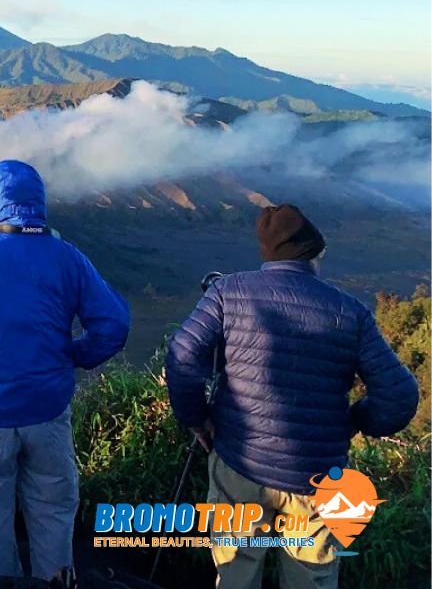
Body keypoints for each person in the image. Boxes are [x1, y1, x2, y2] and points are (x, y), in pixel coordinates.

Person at [166, 204, 418, 589]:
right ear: (315, 254)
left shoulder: (228, 292)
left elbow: (182, 355)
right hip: (317, 478)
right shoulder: (351, 313)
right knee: (310, 579)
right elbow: (400, 396)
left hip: (240, 462)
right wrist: (353, 421)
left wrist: (197, 419)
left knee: (236, 571)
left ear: (266, 253)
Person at [0, 159, 130, 585]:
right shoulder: (67, 257)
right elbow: (113, 324)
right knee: (53, 515)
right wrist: (73, 354)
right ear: (38, 201)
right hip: (47, 411)